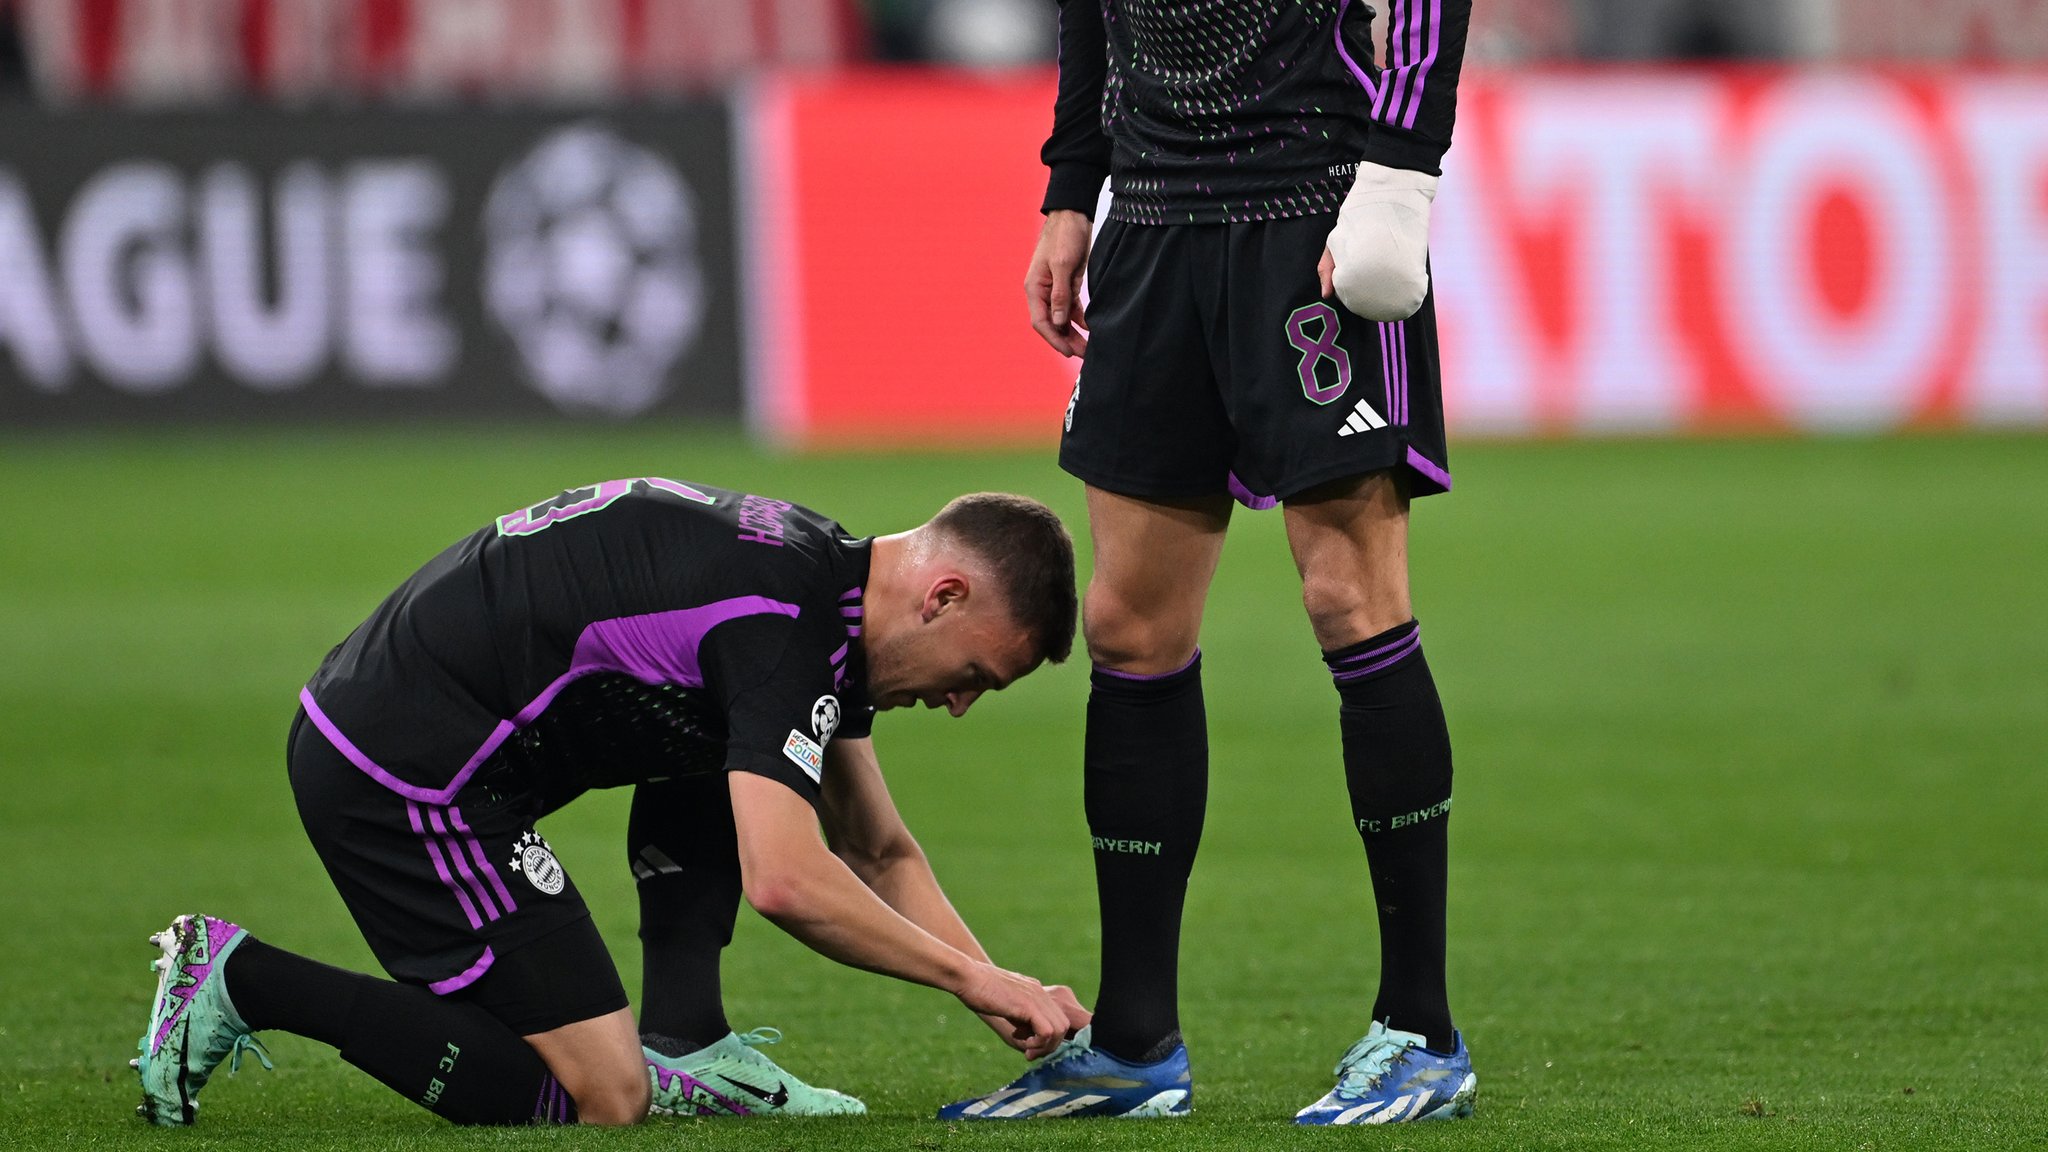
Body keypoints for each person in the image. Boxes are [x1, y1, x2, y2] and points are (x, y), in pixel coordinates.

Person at [133, 478, 1088, 1127]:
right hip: (406, 776)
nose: (958, 705)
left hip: (417, 726)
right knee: (604, 1095)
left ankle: (692, 1040)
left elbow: (878, 848)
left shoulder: (821, 578)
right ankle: (243, 977)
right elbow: (788, 882)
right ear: (943, 595)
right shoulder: (781, 633)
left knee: (741, 747)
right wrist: (972, 981)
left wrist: (1003, 992)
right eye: (974, 675)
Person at [936, 0, 1476, 1125]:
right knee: (1127, 623)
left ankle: (1419, 1031)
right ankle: (1133, 1042)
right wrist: (1070, 190)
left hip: (1313, 206)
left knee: (1349, 596)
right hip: (1154, 221)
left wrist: (1396, 181)